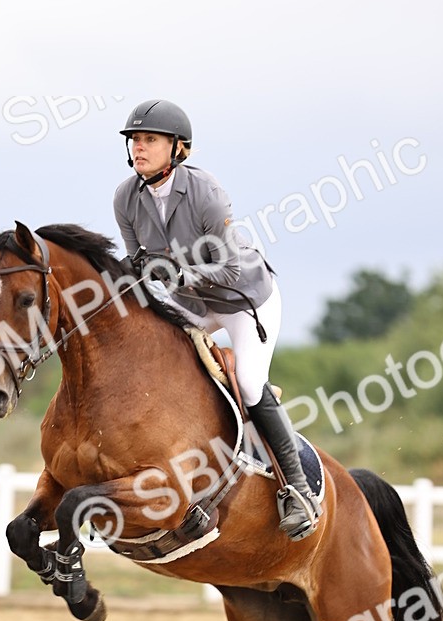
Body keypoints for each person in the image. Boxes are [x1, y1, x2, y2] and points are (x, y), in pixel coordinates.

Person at [113, 98, 322, 541]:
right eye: (134, 140)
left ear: (177, 147)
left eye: (150, 140)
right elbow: (138, 264)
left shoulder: (205, 192)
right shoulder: (125, 198)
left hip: (243, 298)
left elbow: (227, 269)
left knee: (247, 381)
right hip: (192, 302)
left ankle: (298, 491)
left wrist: (177, 272)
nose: (139, 148)